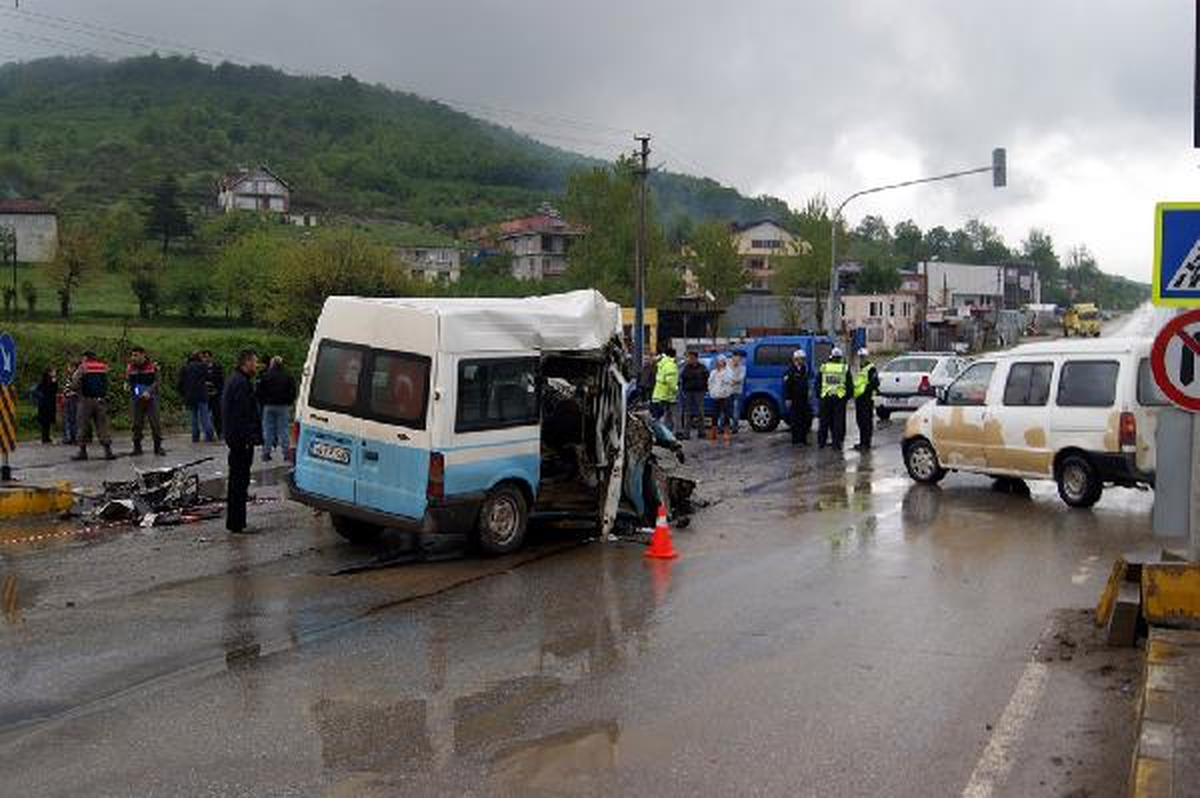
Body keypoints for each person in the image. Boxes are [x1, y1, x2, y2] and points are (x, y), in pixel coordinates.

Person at [222, 348, 261, 534]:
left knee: (237, 481)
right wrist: (248, 438)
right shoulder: (241, 383)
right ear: (247, 363)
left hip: (235, 438)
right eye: (255, 362)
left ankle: (237, 521)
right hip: (240, 440)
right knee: (239, 481)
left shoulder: (235, 380)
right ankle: (236, 523)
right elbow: (243, 414)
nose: (257, 365)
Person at [70, 350, 115, 461]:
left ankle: (82, 451)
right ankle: (108, 451)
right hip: (101, 400)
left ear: (86, 358)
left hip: (86, 400)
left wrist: (75, 390)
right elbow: (107, 383)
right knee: (102, 425)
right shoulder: (103, 367)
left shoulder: (83, 367)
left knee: (82, 425)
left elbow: (75, 383)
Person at [256, 355, 297, 462]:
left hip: (268, 406)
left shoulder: (265, 375)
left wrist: (263, 402)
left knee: (268, 430)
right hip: (283, 406)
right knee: (283, 430)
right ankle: (286, 454)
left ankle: (266, 453)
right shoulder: (288, 376)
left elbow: (259, 391)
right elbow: (293, 391)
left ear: (272, 364)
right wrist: (289, 402)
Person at [126, 346, 165, 456]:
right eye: (132, 355)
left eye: (136, 355)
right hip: (137, 398)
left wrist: (149, 391)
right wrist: (129, 387)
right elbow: (130, 382)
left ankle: (158, 447)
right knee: (136, 424)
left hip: (151, 398)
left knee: (155, 423)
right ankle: (137, 447)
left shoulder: (153, 367)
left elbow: (157, 382)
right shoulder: (130, 368)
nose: (133, 358)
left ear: (143, 355)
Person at [817, 347, 853, 451]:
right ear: (840, 358)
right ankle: (836, 444)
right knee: (838, 422)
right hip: (839, 399)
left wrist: (820, 395)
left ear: (831, 357)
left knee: (824, 421)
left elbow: (818, 383)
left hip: (826, 398)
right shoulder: (844, 368)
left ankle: (821, 443)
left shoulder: (824, 367)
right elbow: (849, 385)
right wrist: (846, 397)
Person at [179, 352, 216, 443]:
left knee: (194, 416)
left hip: (190, 395)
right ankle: (209, 435)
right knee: (205, 416)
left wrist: (183, 393)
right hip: (201, 394)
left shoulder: (185, 367)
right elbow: (209, 377)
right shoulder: (203, 366)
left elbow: (180, 383)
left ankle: (195, 437)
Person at [852, 347, 881, 452]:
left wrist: (865, 390)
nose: (861, 359)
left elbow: (875, 383)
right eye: (860, 357)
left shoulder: (871, 369)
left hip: (867, 399)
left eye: (863, 357)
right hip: (858, 399)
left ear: (867, 357)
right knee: (860, 421)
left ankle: (866, 443)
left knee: (866, 422)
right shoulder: (859, 368)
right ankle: (862, 442)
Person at [678, 351, 709, 440]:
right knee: (687, 412)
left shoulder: (702, 367)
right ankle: (686, 433)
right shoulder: (686, 367)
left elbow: (707, 378)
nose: (690, 359)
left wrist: (705, 388)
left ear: (696, 358)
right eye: (689, 358)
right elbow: (682, 377)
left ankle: (701, 432)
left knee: (700, 412)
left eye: (691, 358)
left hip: (699, 392)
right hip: (688, 392)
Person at [783, 350, 812, 446]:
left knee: (805, 419)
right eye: (801, 359)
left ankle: (803, 440)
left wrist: (808, 392)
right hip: (794, 399)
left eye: (803, 359)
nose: (802, 361)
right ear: (796, 359)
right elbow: (787, 386)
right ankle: (796, 440)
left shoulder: (804, 369)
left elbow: (806, 382)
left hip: (804, 399)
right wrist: (788, 398)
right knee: (796, 420)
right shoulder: (790, 371)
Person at [651, 347, 679, 432]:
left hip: (658, 395)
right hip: (667, 395)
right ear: (674, 355)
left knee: (661, 418)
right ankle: (668, 435)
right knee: (670, 417)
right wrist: (676, 389)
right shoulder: (670, 365)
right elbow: (670, 381)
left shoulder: (662, 364)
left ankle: (661, 434)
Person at [707, 355, 734, 440]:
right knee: (714, 415)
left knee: (726, 415)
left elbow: (729, 381)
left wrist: (722, 374)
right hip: (715, 396)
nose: (719, 363)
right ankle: (713, 433)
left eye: (721, 361)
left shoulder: (728, 372)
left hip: (725, 396)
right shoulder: (713, 372)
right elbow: (710, 382)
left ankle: (726, 432)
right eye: (718, 361)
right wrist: (711, 392)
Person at [203, 350, 225, 439]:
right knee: (205, 416)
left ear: (211, 357)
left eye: (207, 357)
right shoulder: (202, 368)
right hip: (205, 395)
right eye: (204, 357)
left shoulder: (217, 367)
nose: (206, 359)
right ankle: (208, 434)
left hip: (216, 394)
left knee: (217, 414)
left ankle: (220, 432)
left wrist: (212, 381)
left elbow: (221, 379)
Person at [33, 367, 58, 445]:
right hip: (47, 403)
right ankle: (45, 437)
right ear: (49, 372)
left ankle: (45, 437)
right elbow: (54, 390)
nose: (54, 373)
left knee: (46, 422)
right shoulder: (50, 381)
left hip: (44, 403)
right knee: (46, 421)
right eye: (53, 371)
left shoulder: (44, 381)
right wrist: (54, 382)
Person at [60, 357, 79, 446]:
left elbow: (73, 388)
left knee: (72, 418)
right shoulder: (70, 376)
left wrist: (67, 393)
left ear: (74, 367)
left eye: (69, 367)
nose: (68, 369)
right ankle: (70, 437)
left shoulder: (75, 376)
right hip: (68, 398)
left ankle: (74, 437)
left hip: (73, 398)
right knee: (69, 418)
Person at [728, 352, 746, 434]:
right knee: (727, 410)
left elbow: (740, 379)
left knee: (736, 410)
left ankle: (735, 427)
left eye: (738, 358)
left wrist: (732, 380)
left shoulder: (742, 367)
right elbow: (726, 376)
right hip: (728, 391)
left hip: (737, 392)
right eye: (735, 358)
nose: (736, 360)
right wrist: (733, 380)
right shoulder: (728, 366)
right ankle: (724, 426)